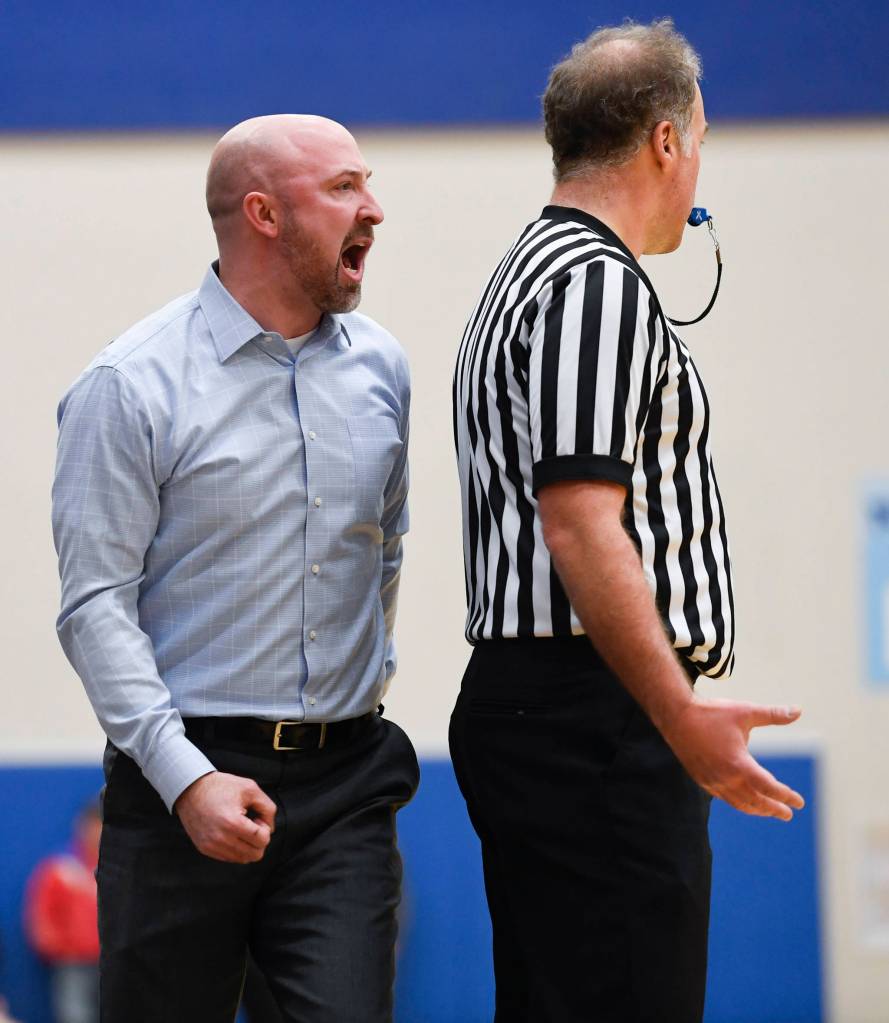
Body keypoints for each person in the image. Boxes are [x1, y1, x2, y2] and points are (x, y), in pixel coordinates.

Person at [449, 20, 805, 1023]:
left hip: (555, 716)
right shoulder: (591, 283)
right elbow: (579, 524)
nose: (696, 168)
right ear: (663, 140)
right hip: (591, 720)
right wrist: (676, 710)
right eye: (698, 140)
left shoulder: (528, 271)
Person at [52, 114, 418, 1023]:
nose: (372, 208)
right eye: (342, 188)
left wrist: (358, 686)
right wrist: (186, 777)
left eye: (364, 183)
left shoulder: (382, 367)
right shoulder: (129, 384)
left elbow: (386, 549)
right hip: (181, 786)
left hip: (345, 789)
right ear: (262, 213)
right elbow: (95, 606)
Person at [24, 801, 101, 1023]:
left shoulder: (119, 871)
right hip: (72, 965)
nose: (98, 832)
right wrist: (61, 949)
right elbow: (41, 918)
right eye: (93, 825)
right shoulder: (60, 868)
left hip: (114, 963)